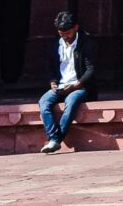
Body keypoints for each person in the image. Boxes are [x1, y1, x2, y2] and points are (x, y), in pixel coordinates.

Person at [37, 12, 94, 154]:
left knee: (71, 101)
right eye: (62, 34)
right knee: (44, 102)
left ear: (76, 28)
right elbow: (51, 67)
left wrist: (76, 85)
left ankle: (55, 140)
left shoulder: (86, 43)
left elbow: (91, 69)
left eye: (68, 33)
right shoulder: (56, 44)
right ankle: (53, 138)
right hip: (61, 85)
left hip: (79, 85)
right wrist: (53, 81)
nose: (65, 37)